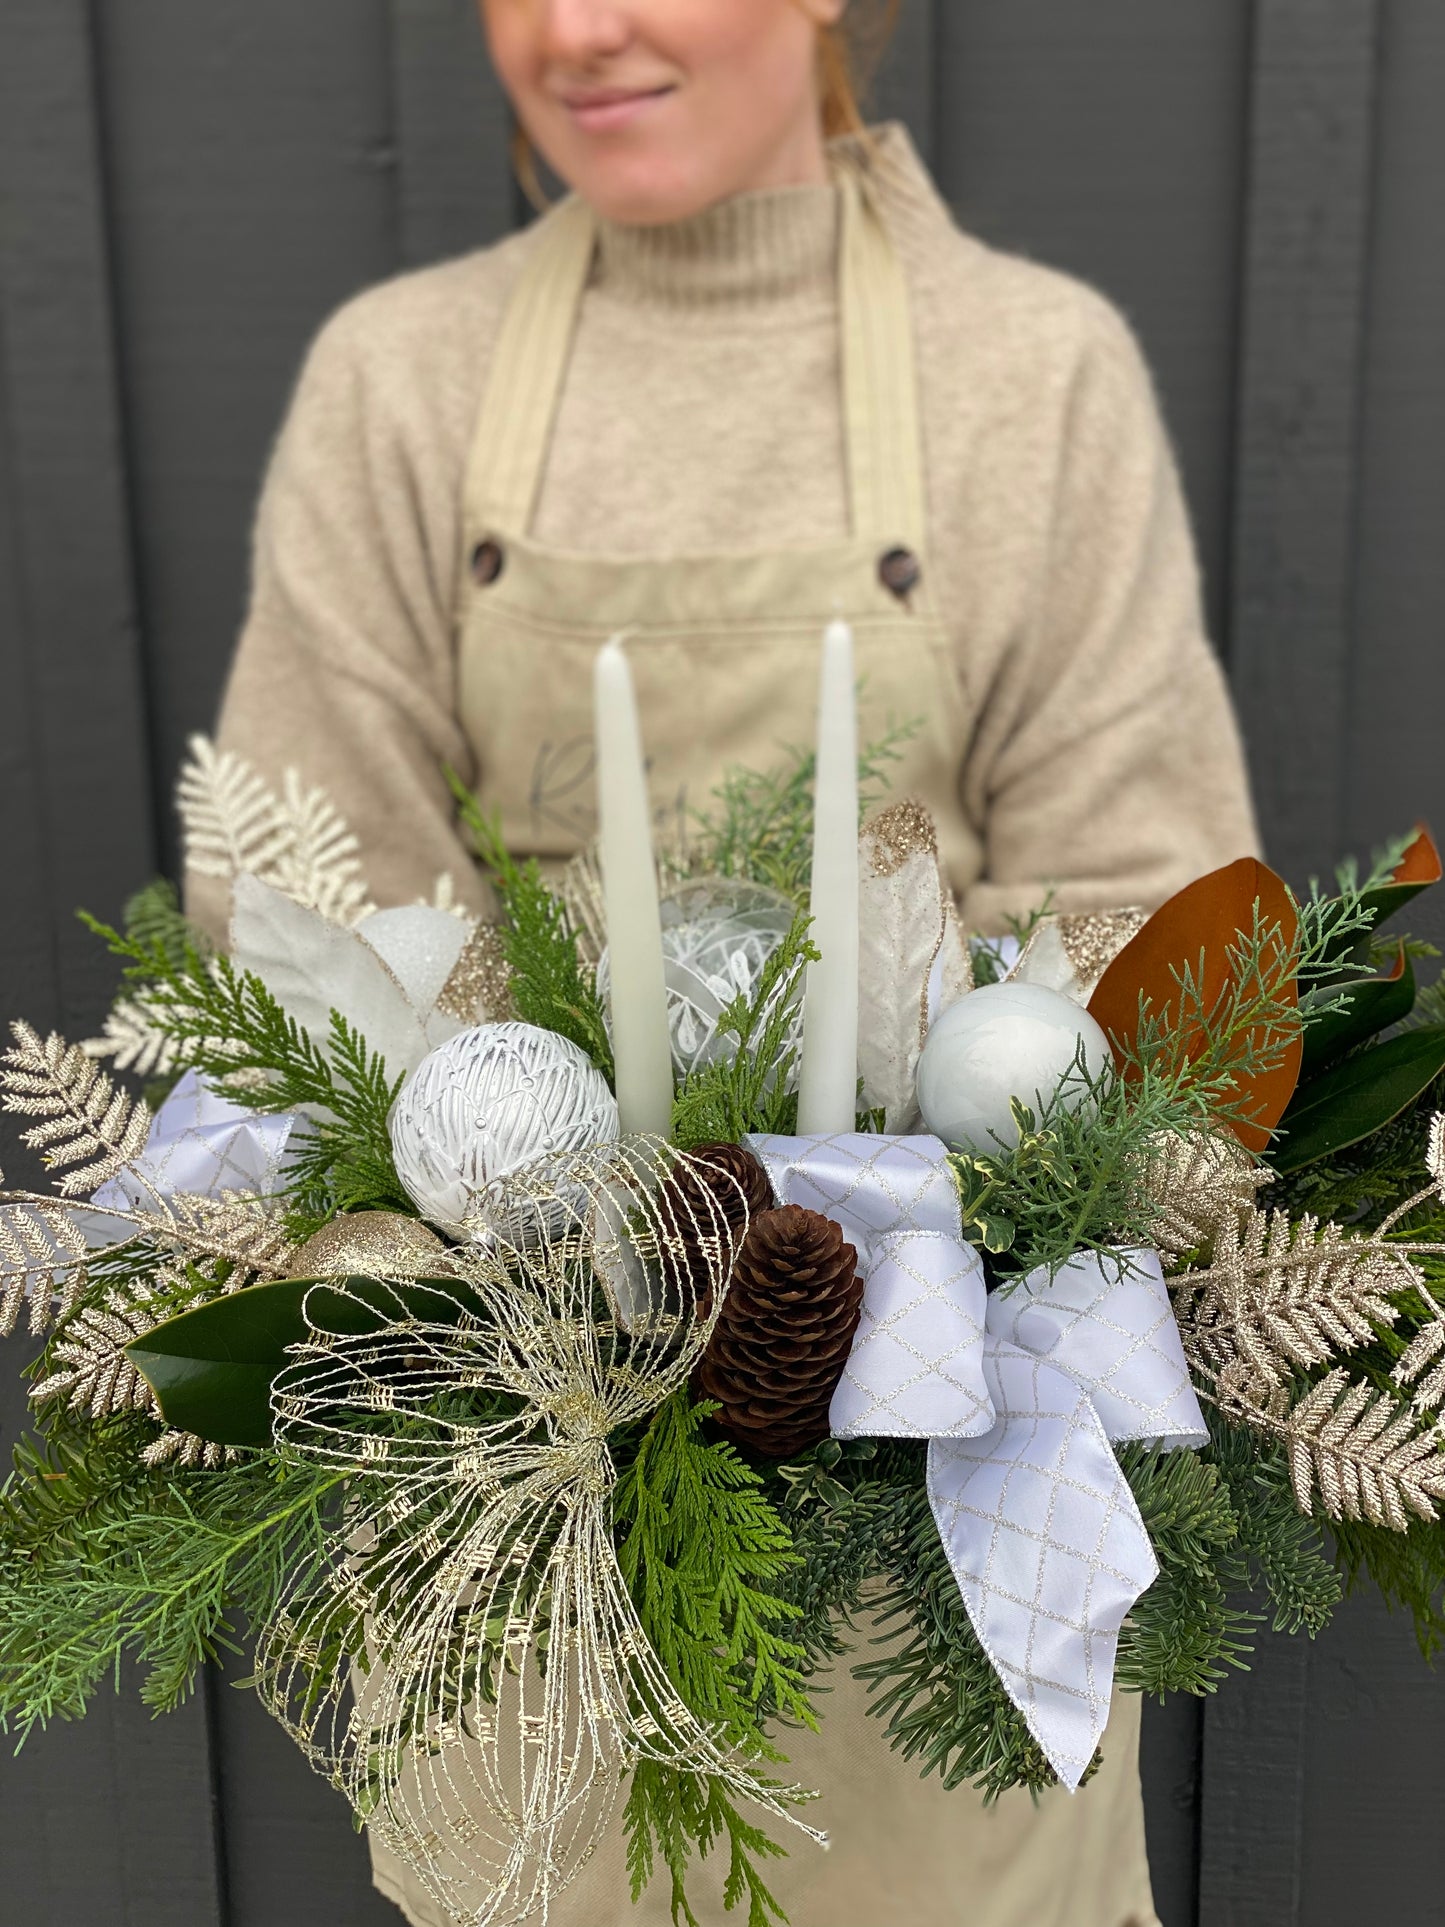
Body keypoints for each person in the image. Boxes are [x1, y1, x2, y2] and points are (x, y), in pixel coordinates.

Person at [194, 3, 1259, 1922]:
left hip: (939, 1570)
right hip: (539, 1527)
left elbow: (1148, 953)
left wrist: (893, 1285)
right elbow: (309, 924)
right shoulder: (405, 385)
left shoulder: (1028, 379)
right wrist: (562, 1288)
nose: (575, 28)